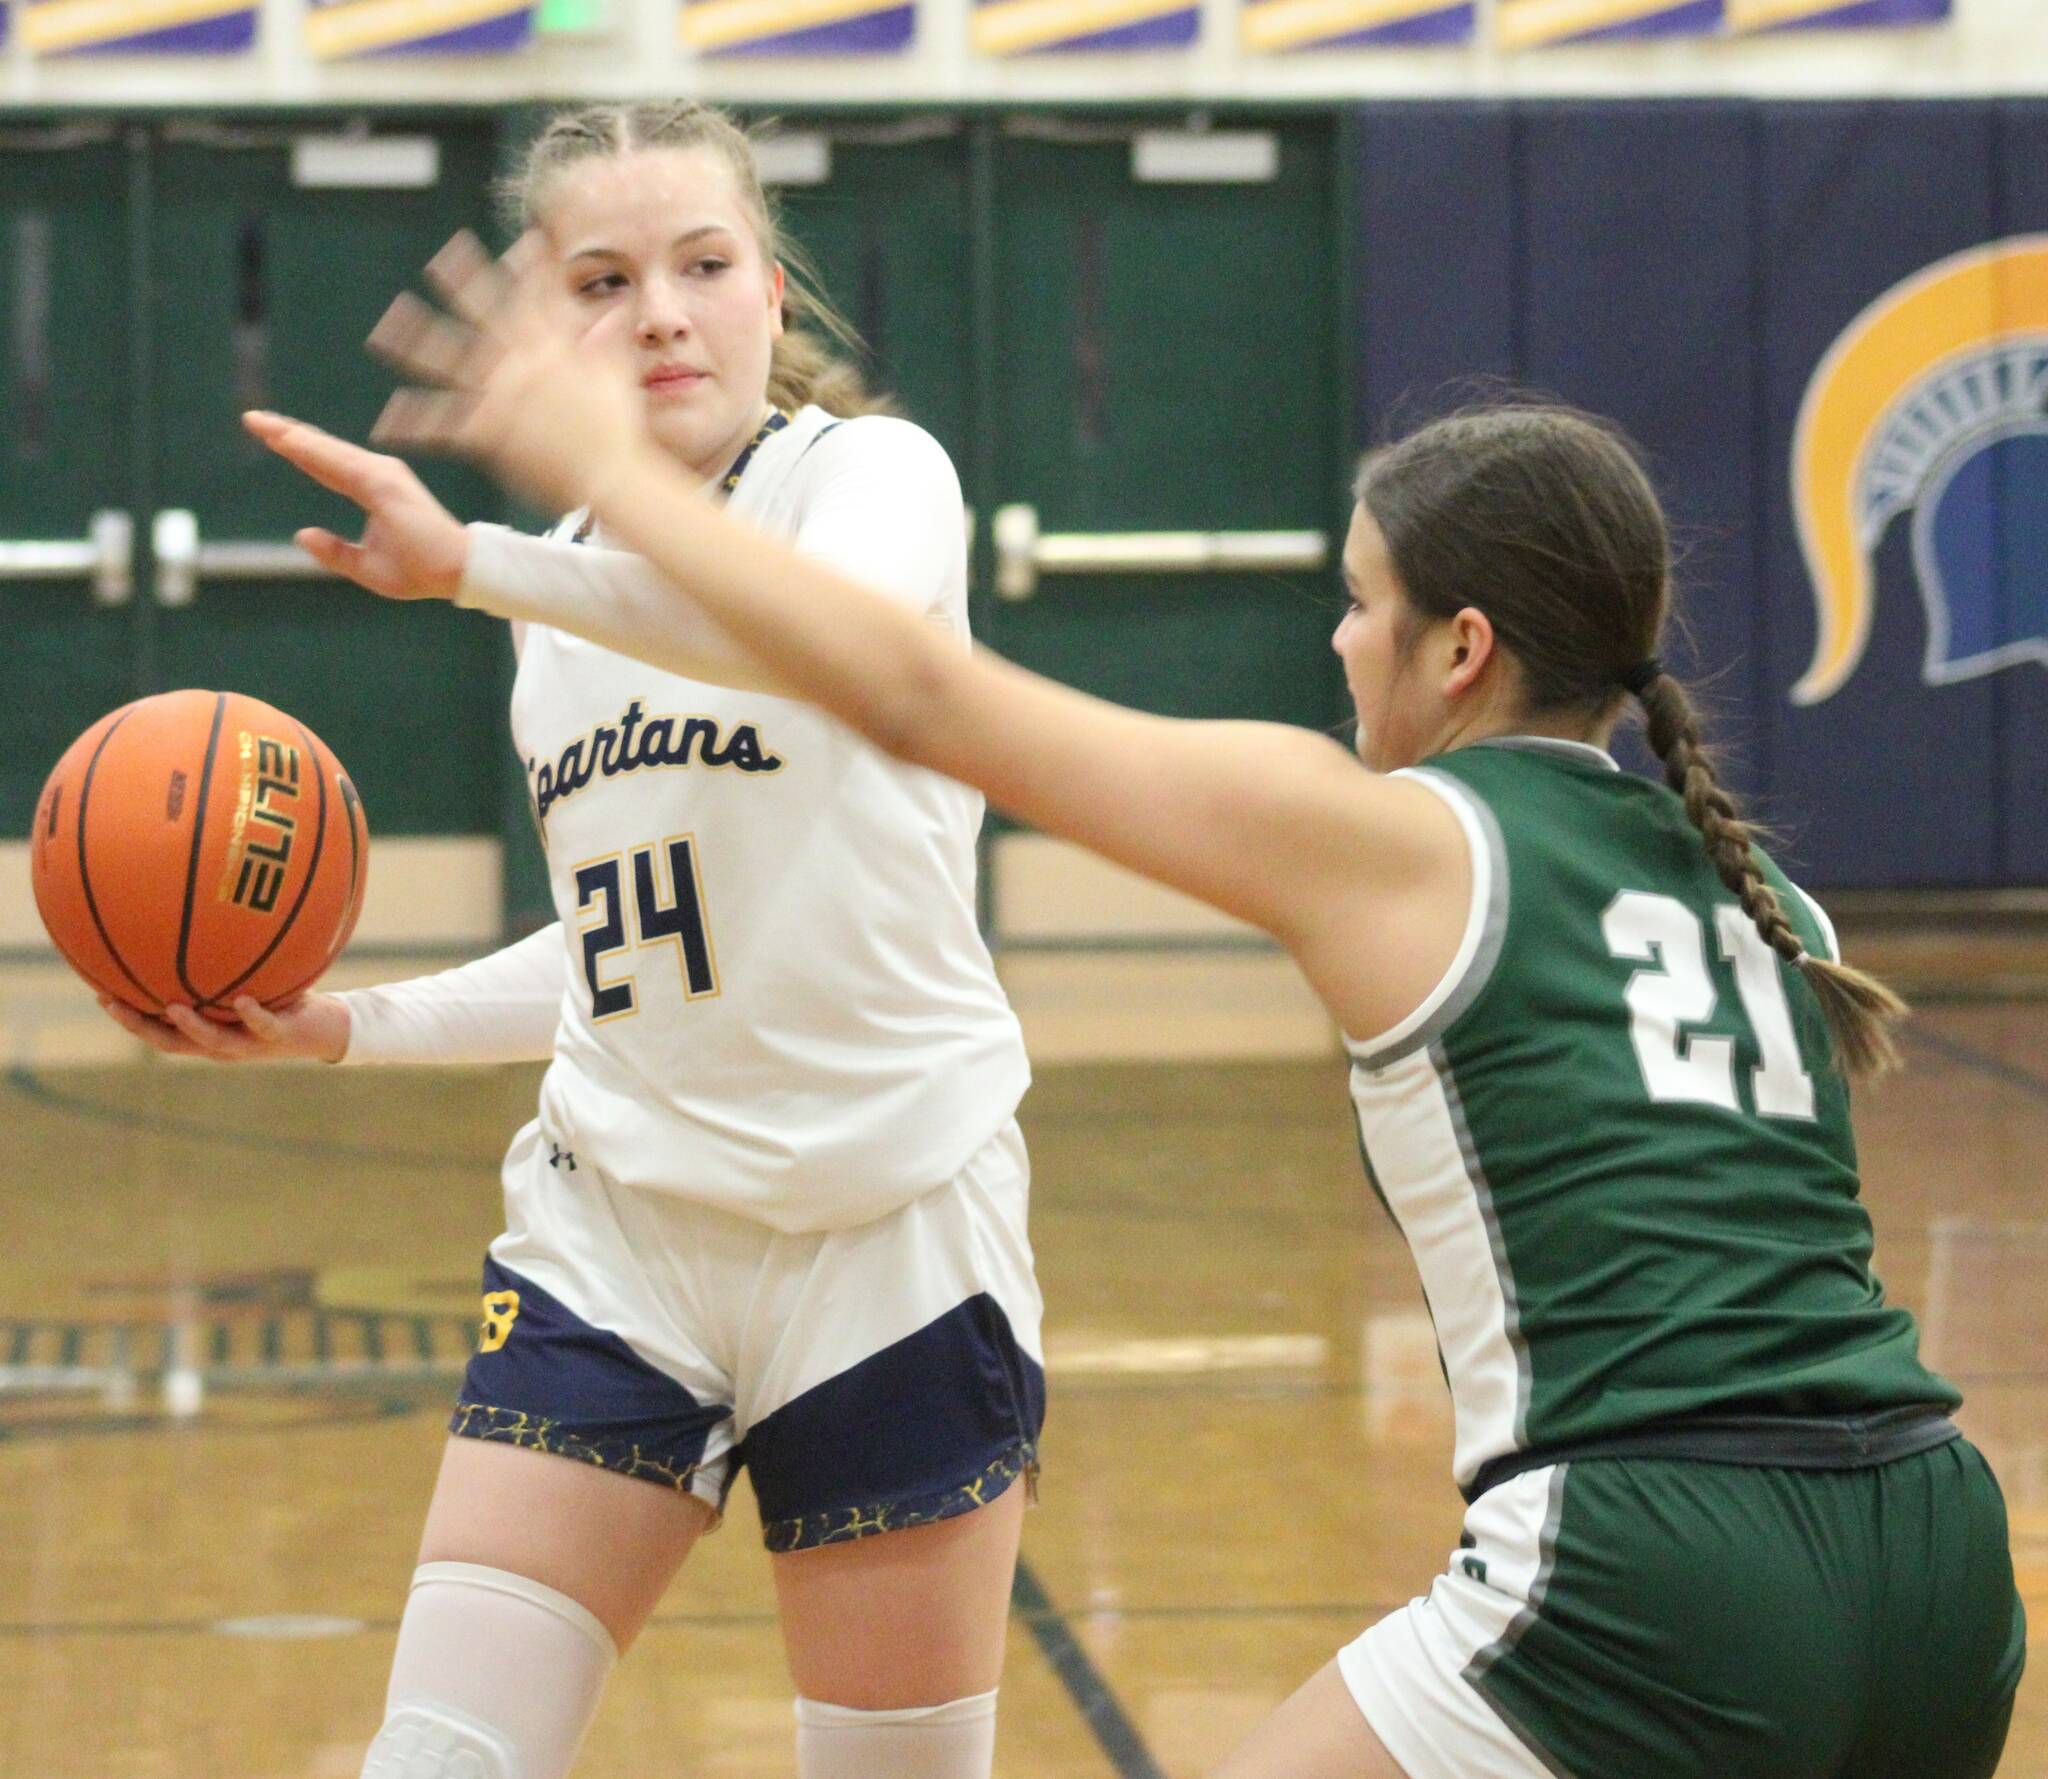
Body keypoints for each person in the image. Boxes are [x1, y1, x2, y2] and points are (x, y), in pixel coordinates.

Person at [294, 238, 2028, 1779]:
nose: (1339, 642)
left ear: (1462, 648)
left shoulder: (1395, 841)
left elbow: (910, 688)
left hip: (1655, 1565)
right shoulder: (1767, 896)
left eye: (1361, 603)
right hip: (1944, 1556)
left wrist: (596, 478)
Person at [110, 102, 1045, 1779]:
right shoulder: (555, 602)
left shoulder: (874, 480)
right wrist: (348, 1027)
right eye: (603, 281)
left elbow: (819, 647)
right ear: (547, 331)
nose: (664, 312)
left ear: (772, 289)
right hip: (616, 1242)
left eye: (703, 265)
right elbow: (625, 951)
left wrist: (482, 556)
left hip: (888, 1236)